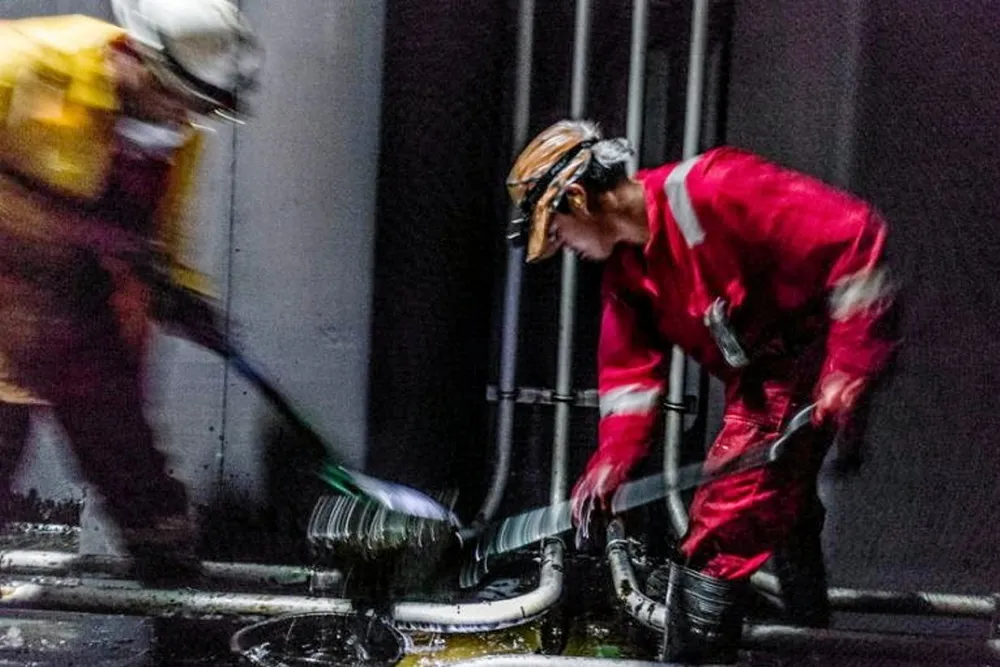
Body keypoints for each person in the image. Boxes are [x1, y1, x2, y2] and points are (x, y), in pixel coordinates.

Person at [506, 120, 898, 663]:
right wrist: (612, 460)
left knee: (719, 532)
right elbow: (629, 378)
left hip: (804, 357)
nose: (563, 247)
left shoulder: (716, 188)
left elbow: (854, 238)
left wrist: (849, 365)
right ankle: (809, 646)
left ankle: (697, 655)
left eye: (558, 232)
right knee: (781, 510)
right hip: (759, 383)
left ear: (577, 197)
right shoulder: (627, 271)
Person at [0, 0, 261, 571]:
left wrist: (178, 290)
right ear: (136, 57)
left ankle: (171, 579)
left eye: (197, 108)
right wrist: (52, 228)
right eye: (174, 96)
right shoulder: (22, 64)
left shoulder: (174, 131)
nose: (182, 117)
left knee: (138, 477)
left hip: (74, 313)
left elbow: (158, 232)